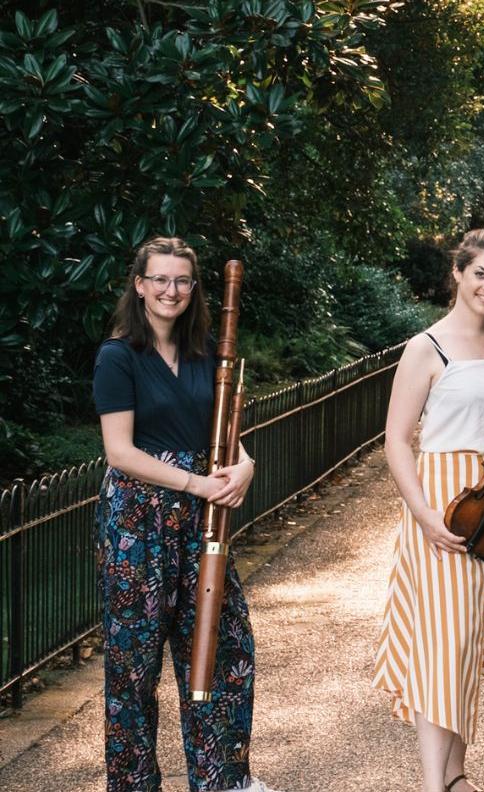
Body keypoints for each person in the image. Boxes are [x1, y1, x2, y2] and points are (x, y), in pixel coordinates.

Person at [372, 228, 484, 792]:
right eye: (480, 275)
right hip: (445, 507)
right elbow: (397, 441)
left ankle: (455, 777)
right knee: (442, 644)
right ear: (457, 273)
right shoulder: (427, 347)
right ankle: (434, 785)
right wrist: (425, 517)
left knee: (472, 640)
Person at [94, 236, 277, 792]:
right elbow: (120, 452)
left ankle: (222, 781)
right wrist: (198, 482)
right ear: (140, 285)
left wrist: (245, 466)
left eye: (182, 281)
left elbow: (226, 436)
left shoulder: (205, 357)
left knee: (224, 648)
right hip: (138, 524)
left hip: (201, 525)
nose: (171, 291)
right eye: (160, 279)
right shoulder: (118, 356)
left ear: (193, 289)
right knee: (134, 666)